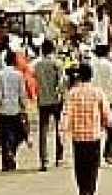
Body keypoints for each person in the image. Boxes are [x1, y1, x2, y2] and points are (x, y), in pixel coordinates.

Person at [61, 64, 111, 195]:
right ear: (91, 76)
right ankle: (90, 190)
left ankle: (83, 190)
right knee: (93, 167)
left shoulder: (72, 93)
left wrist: (63, 133)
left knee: (80, 166)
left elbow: (66, 114)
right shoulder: (97, 92)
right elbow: (106, 113)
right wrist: (107, 125)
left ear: (79, 76)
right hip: (94, 136)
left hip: (78, 138)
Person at [0, 48, 30, 172]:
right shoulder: (18, 75)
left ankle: (6, 162)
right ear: (14, 61)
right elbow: (22, 93)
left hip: (3, 109)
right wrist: (24, 106)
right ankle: (12, 153)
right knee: (17, 134)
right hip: (15, 109)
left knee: (5, 135)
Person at [33, 43, 68, 171]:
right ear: (53, 50)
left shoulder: (37, 65)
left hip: (42, 100)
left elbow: (35, 82)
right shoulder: (57, 63)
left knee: (43, 130)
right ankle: (59, 157)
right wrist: (61, 95)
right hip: (56, 100)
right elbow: (61, 82)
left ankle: (44, 160)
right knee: (60, 128)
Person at [90, 44, 112, 165]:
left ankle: (96, 155)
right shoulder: (111, 67)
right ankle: (108, 154)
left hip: (94, 102)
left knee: (96, 130)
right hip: (110, 102)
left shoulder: (91, 66)